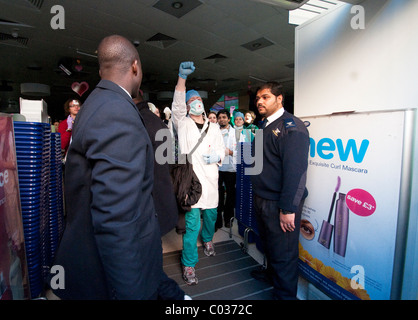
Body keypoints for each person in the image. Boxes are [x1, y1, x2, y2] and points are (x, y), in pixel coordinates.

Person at [51, 35, 163, 300]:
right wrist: (130, 291)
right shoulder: (117, 112)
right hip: (109, 277)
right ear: (135, 66)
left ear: (102, 71)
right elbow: (116, 217)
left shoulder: (94, 103)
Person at [250, 81, 310, 300]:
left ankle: (285, 296)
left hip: (279, 203)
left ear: (279, 98)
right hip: (262, 198)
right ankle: (270, 276)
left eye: (265, 97)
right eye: (258, 98)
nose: (259, 101)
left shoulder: (291, 127)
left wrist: (287, 208)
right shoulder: (264, 126)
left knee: (284, 254)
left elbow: (296, 172)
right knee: (269, 245)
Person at [171, 61, 225, 286]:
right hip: (191, 182)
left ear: (204, 105)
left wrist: (218, 157)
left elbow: (221, 149)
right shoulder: (182, 123)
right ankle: (189, 263)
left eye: (198, 101)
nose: (195, 103)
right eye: (191, 101)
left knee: (211, 217)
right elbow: (177, 106)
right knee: (192, 224)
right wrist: (182, 79)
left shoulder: (213, 127)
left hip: (211, 180)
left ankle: (209, 239)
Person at [132, 92, 187, 300]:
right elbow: (165, 163)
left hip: (144, 203)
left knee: (144, 263)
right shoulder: (159, 125)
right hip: (160, 200)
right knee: (151, 257)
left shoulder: (136, 123)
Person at [216, 109, 237, 229]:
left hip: (231, 169)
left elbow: (241, 151)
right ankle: (217, 220)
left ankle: (228, 219)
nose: (221, 120)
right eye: (220, 118)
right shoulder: (214, 132)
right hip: (217, 168)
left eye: (224, 117)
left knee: (230, 195)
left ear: (228, 119)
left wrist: (231, 152)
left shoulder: (236, 133)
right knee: (217, 196)